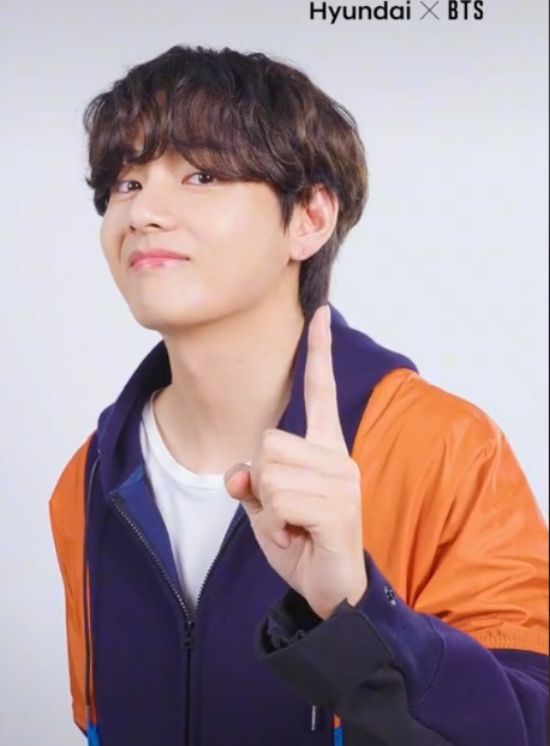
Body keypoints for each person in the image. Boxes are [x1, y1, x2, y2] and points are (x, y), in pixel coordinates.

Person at [49, 45, 548, 746]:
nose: (144, 212)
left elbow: (528, 725)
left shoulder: (443, 449)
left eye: (202, 175)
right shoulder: (89, 481)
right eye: (125, 183)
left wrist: (359, 613)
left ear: (309, 217)